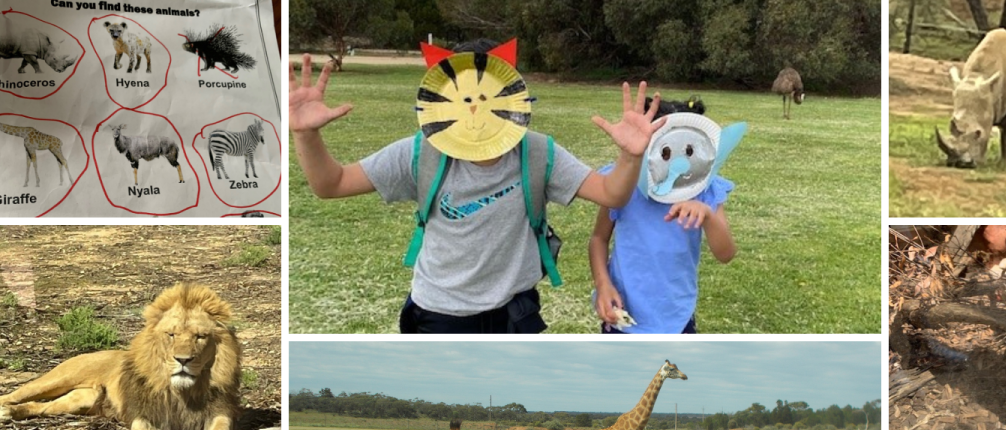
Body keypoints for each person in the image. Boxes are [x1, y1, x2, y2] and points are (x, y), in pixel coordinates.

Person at [290, 41, 665, 334]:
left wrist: (630, 158)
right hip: (438, 313)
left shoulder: (537, 152)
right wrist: (306, 134)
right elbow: (331, 184)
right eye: (465, 98)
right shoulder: (422, 150)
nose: (475, 110)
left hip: (515, 313)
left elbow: (611, 194)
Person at [589, 97, 738, 334]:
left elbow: (726, 254)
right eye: (665, 153)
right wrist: (603, 284)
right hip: (623, 315)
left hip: (677, 318)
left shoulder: (704, 189)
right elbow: (599, 238)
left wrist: (707, 216)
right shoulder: (622, 185)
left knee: (669, 372)